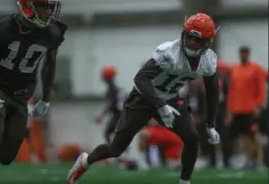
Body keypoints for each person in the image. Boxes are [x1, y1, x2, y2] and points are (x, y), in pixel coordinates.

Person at [67, 13, 220, 184]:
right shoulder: (170, 52)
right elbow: (140, 79)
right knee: (116, 149)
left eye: (196, 40)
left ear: (207, 43)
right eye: (189, 36)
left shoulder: (208, 61)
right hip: (143, 97)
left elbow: (213, 91)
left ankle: (184, 182)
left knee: (192, 137)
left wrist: (211, 124)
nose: (191, 42)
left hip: (170, 98)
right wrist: (160, 104)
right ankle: (85, 161)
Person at [0, 0, 66, 179]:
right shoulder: (1, 29)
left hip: (22, 93)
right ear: (27, 4)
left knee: (6, 155)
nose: (49, 11)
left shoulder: (52, 33)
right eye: (44, 5)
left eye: (52, 6)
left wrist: (46, 99)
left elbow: (49, 65)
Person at [225, 46, 266, 169]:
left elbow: (261, 88)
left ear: (248, 54)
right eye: (241, 53)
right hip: (237, 109)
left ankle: (258, 160)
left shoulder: (256, 69)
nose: (243, 55)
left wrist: (258, 105)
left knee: (253, 136)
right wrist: (229, 110)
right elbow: (232, 91)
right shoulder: (235, 69)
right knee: (238, 137)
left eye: (245, 53)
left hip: (250, 109)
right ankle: (244, 159)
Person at [94, 66, 126, 144]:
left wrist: (101, 116)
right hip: (121, 114)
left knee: (107, 133)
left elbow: (111, 104)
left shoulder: (111, 89)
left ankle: (112, 151)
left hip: (118, 115)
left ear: (107, 77)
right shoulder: (114, 88)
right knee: (115, 134)